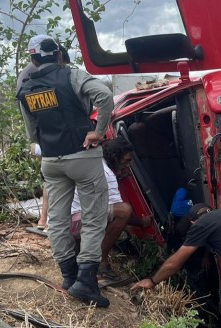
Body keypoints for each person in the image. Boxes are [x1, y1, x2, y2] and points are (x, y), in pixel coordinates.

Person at [17, 34, 113, 307]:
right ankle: (85, 280)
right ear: (59, 54)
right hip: (82, 155)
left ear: (33, 59)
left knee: (57, 220)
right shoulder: (71, 75)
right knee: (94, 218)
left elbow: (31, 129)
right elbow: (104, 95)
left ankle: (69, 277)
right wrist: (98, 131)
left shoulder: (27, 86)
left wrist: (44, 143)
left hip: (51, 160)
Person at [69, 137, 151, 282]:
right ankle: (101, 261)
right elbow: (120, 212)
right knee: (124, 211)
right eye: (126, 161)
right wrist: (141, 222)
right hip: (75, 224)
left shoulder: (97, 162)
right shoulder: (107, 175)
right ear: (115, 157)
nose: (128, 165)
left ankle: (79, 249)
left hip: (65, 221)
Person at [19, 45, 72, 231]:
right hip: (51, 141)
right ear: (58, 58)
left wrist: (35, 139)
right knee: (57, 181)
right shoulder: (49, 78)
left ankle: (43, 220)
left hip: (41, 140)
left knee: (49, 180)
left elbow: (28, 115)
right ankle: (51, 223)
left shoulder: (30, 77)